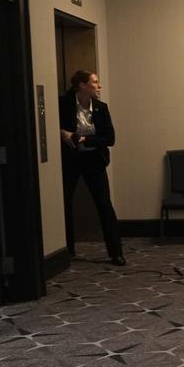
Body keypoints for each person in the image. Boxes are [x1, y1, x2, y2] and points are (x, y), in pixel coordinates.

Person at [59, 70, 125, 266]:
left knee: (104, 205)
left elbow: (110, 138)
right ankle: (67, 250)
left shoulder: (100, 108)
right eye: (95, 82)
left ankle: (116, 253)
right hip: (70, 160)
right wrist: (62, 133)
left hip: (94, 160)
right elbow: (47, 125)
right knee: (64, 204)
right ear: (81, 85)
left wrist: (86, 139)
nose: (99, 86)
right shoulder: (63, 104)